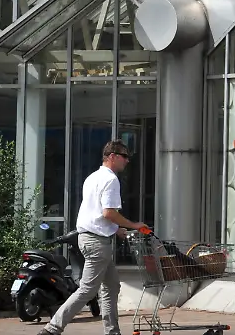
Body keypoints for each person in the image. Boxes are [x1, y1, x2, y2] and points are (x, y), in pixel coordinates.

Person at [41, 140, 147, 335]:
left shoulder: (92, 177)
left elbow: (95, 213)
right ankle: (52, 328)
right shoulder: (111, 180)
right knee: (88, 290)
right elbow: (108, 213)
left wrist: (116, 230)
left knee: (111, 285)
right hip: (97, 243)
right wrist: (133, 225)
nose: (127, 161)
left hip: (90, 237)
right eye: (125, 156)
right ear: (112, 156)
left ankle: (112, 331)